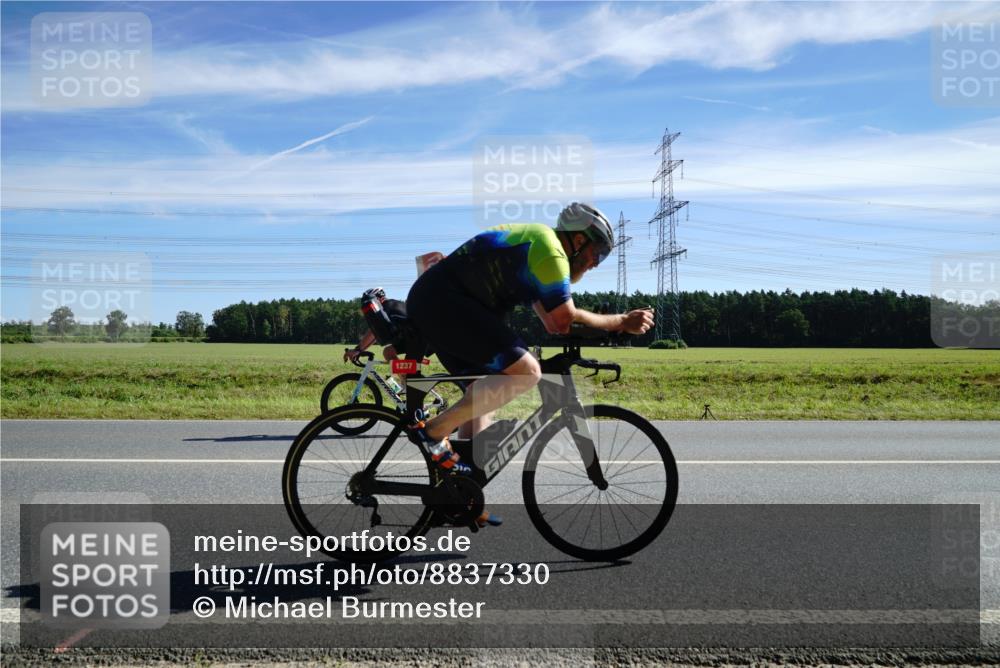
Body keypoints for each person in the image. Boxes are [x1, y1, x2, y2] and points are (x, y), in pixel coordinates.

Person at [405, 202, 654, 527]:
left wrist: (608, 331)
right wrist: (621, 321)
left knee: (483, 397)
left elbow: (554, 324)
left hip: (443, 303)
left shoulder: (541, 250)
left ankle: (460, 493)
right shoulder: (550, 252)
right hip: (445, 303)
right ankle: (435, 430)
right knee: (528, 371)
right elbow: (565, 317)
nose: (596, 263)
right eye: (598, 253)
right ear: (578, 241)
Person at [344, 288, 406, 365]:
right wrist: (360, 350)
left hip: (416, 340)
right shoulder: (395, 304)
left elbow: (372, 333)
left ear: (381, 298)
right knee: (388, 352)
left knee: (389, 354)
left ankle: (408, 376)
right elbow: (376, 333)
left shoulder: (386, 307)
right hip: (415, 338)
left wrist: (357, 350)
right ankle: (407, 376)